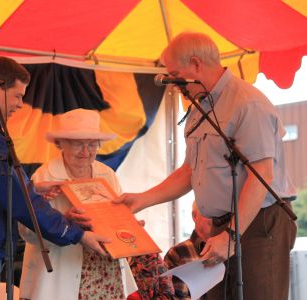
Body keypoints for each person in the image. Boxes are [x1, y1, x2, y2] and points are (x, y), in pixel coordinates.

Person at [115, 32, 297, 299]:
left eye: (176, 74)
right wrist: (142, 200)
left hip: (260, 223)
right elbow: (190, 171)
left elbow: (261, 177)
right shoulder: (201, 107)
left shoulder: (247, 103)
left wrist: (231, 235)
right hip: (219, 225)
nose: (173, 84)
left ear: (196, 64)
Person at [0, 57, 109, 300]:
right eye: (18, 95)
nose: (21, 104)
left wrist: (30, 187)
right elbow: (20, 198)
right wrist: (77, 234)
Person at [19, 108, 138, 300]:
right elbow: (26, 233)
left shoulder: (107, 174)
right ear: (60, 144)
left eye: (92, 145)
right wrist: (64, 220)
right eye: (78, 144)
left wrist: (131, 226)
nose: (86, 152)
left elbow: (117, 219)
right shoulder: (43, 176)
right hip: (59, 275)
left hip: (105, 271)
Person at [164, 201, 213, 299]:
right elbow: (175, 296)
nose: (214, 218)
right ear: (194, 216)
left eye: (219, 214)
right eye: (207, 212)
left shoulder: (229, 250)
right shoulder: (178, 253)